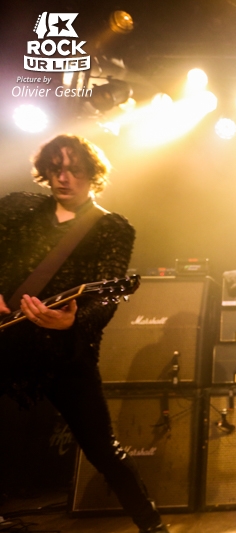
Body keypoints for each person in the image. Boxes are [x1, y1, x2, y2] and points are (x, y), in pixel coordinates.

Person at [0, 135, 169, 532]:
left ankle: (152, 525)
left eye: (74, 170)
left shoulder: (111, 227)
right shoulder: (17, 207)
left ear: (93, 175)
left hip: (64, 351)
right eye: (56, 169)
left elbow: (106, 297)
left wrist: (73, 322)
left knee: (102, 447)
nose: (64, 178)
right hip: (7, 342)